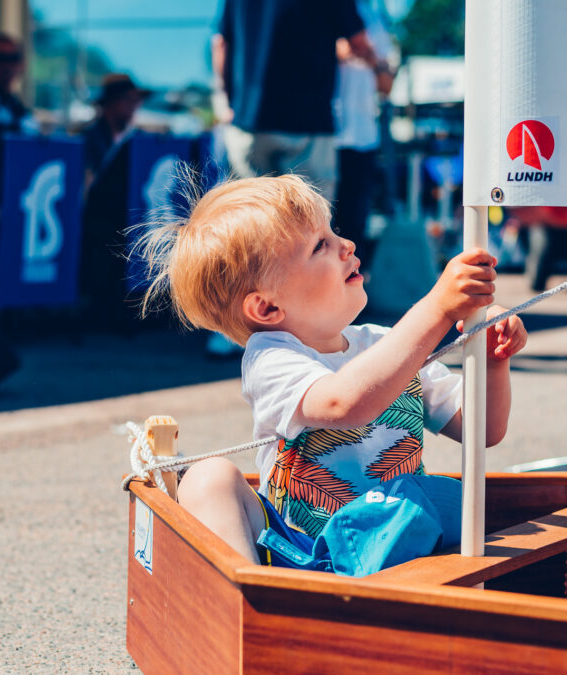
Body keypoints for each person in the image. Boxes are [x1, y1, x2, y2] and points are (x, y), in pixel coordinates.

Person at [140, 175, 526, 565]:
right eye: (320, 245)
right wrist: (437, 308)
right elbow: (344, 402)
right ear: (267, 308)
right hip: (302, 554)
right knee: (208, 478)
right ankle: (249, 595)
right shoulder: (270, 358)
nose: (347, 245)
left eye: (333, 231)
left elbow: (483, 430)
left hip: (400, 536)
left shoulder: (385, 344)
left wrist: (493, 360)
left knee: (441, 498)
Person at [212, 0, 393, 200]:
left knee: (252, 212)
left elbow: (221, 43)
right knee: (309, 213)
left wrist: (226, 101)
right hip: (308, 125)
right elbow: (357, 41)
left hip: (248, 120)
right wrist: (376, 61)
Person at [332, 1, 396, 275]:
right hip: (326, 133)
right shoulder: (324, 11)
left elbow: (387, 85)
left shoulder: (376, 22)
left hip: (363, 136)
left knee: (355, 220)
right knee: (321, 220)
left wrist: (368, 56)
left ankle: (350, 284)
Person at [83, 73, 150, 181]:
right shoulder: (87, 139)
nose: (134, 104)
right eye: (129, 99)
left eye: (137, 99)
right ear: (111, 102)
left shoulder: (138, 138)